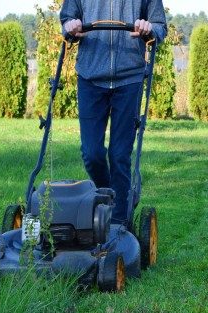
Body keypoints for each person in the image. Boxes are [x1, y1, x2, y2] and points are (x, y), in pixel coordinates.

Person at [59, 0, 167, 225]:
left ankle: (119, 223)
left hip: (129, 77)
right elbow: (66, 21)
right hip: (90, 76)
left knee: (119, 156)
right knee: (92, 154)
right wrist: (70, 26)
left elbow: (160, 27)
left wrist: (149, 29)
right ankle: (113, 197)